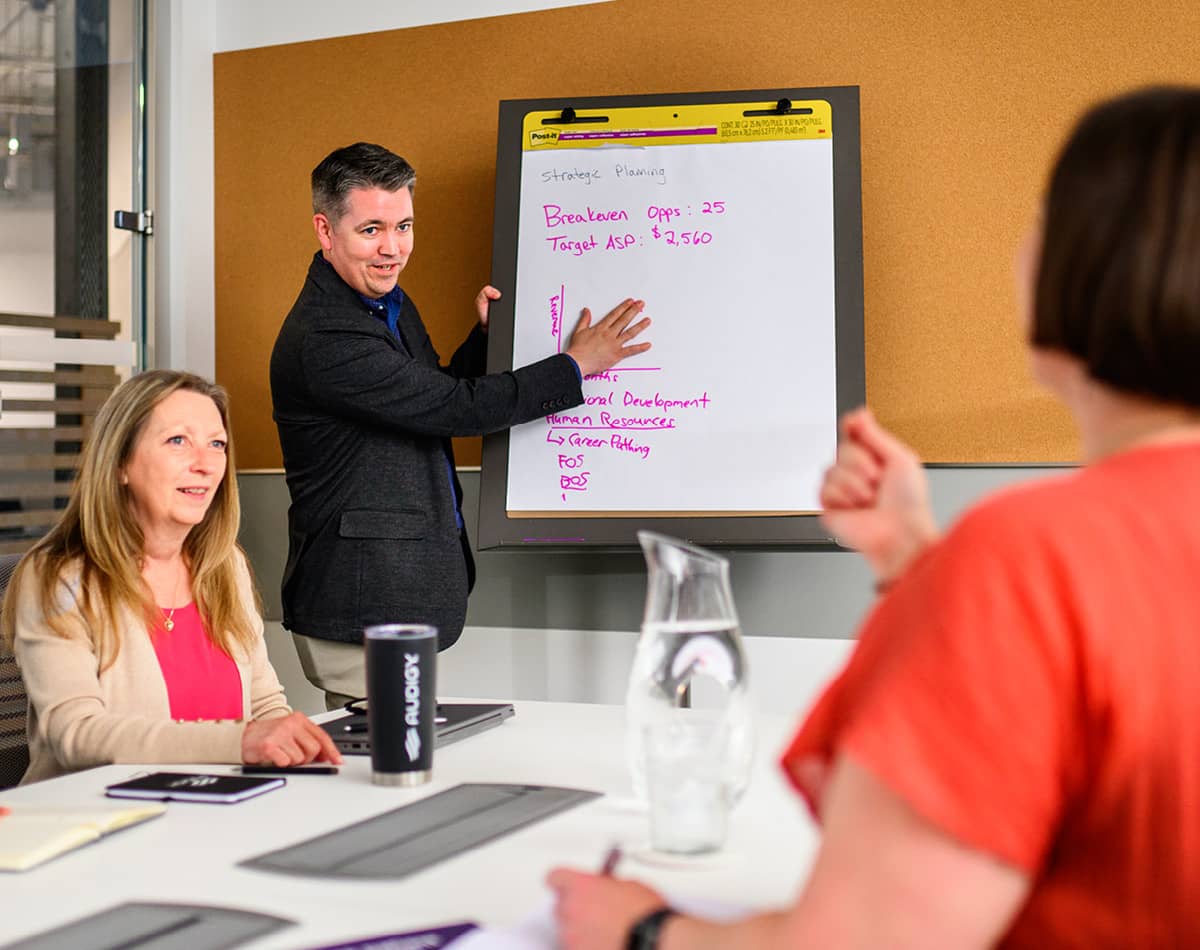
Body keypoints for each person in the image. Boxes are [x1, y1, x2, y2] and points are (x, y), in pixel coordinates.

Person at [548, 86, 1200, 947]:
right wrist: (920, 567)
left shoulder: (1031, 559)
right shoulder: (1039, 563)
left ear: (1084, 265)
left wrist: (646, 929)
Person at [271, 142, 651, 709]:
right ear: (326, 231)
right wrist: (576, 365)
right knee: (384, 770)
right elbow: (454, 408)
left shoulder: (384, 302)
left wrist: (483, 341)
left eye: (404, 226)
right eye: (371, 229)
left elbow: (424, 397)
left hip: (394, 590)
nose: (393, 249)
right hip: (361, 596)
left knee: (398, 765)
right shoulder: (327, 336)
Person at [0, 371, 342, 783]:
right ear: (120, 463)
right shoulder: (58, 575)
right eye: (177, 441)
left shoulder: (223, 565)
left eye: (217, 444)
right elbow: (74, 734)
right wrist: (239, 742)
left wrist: (295, 757)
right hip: (100, 822)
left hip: (216, 809)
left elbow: (265, 703)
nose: (204, 464)